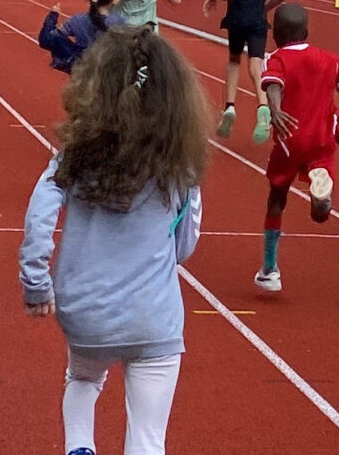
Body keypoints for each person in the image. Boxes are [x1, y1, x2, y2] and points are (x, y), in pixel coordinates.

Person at [19, 25, 210, 455]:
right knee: (148, 436)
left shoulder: (73, 158)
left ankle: (80, 447)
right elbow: (184, 248)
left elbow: (39, 216)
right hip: (154, 318)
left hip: (87, 314)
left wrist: (36, 283)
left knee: (83, 379)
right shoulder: (180, 167)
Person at [254, 4, 339, 292]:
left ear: (276, 34)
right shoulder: (331, 59)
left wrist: (275, 110)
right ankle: (321, 197)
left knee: (277, 197)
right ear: (306, 31)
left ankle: (270, 269)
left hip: (290, 139)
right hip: (322, 138)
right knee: (320, 207)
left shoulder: (277, 59)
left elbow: (273, 86)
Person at [203, 0, 287, 144]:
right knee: (256, 66)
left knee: (233, 61)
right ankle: (263, 105)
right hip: (258, 22)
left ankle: (230, 107)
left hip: (237, 20)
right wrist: (264, 8)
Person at [39, 0, 126, 74]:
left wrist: (52, 16)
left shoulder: (77, 21)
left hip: (82, 74)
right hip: (108, 75)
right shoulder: (120, 23)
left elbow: (47, 39)